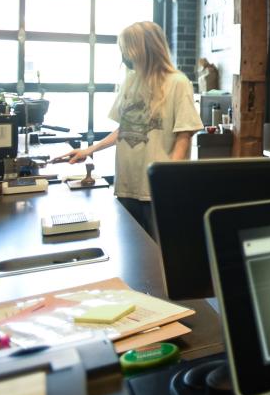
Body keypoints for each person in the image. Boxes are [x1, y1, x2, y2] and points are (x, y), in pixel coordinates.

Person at [58, 21, 203, 239]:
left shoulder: (177, 83)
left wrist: (169, 179)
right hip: (127, 184)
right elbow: (125, 129)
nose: (125, 55)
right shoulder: (131, 81)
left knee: (159, 255)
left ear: (145, 48)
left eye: (127, 49)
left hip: (157, 190)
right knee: (133, 251)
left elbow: (185, 134)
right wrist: (90, 150)